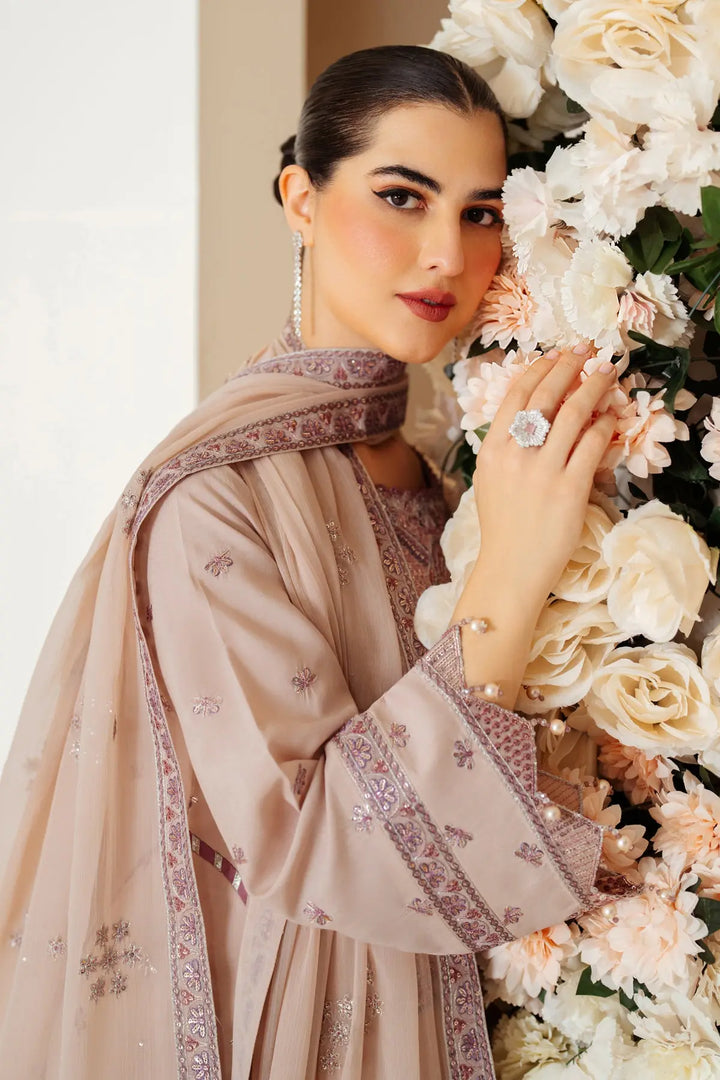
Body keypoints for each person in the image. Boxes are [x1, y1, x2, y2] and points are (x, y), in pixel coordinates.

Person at [0, 45, 632, 1080]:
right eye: (401, 196)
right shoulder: (211, 501)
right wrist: (511, 575)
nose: (446, 253)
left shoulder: (438, 472)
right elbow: (307, 838)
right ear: (302, 198)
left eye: (479, 212)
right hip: (306, 1026)